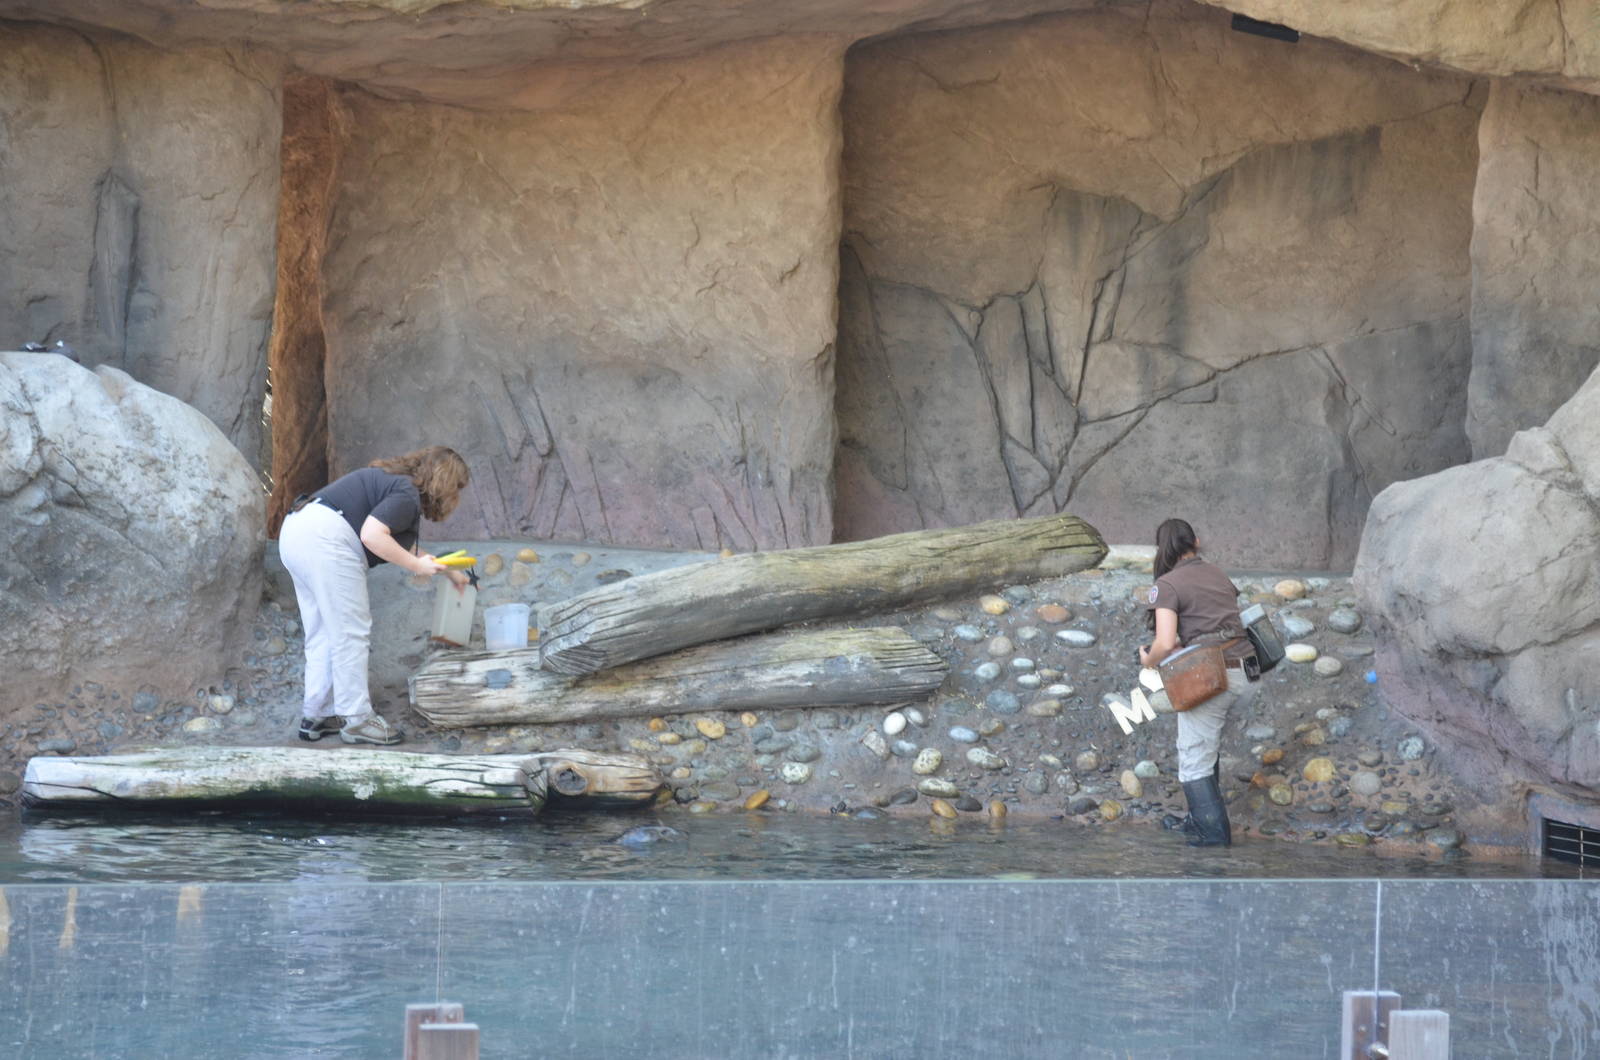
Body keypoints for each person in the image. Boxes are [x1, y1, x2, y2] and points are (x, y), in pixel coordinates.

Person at [278, 446, 471, 745]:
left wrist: (450, 572)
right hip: (327, 538)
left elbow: (401, 545)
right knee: (351, 632)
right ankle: (357, 720)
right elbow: (372, 536)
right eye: (456, 488)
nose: (456, 498)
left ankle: (317, 714)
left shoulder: (395, 484)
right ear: (444, 481)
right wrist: (415, 566)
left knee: (324, 632)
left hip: (297, 531)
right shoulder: (406, 494)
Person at [1137, 517, 1257, 847]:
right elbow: (1217, 625)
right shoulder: (1217, 573)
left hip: (1214, 677)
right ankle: (1195, 821)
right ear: (1197, 542)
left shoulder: (1167, 585)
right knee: (1205, 746)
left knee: (1193, 760)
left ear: (1161, 549)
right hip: (1248, 671)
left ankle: (1213, 840)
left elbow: (1164, 643)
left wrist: (1148, 660)